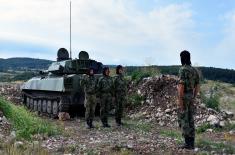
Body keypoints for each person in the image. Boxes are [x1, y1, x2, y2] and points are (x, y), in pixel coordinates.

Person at [177, 50, 200, 149]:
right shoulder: (195, 70)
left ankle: (187, 143)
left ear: (182, 58)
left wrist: (180, 100)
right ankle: (192, 142)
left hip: (184, 98)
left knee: (184, 119)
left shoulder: (183, 70)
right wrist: (194, 97)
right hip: (191, 97)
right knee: (191, 119)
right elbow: (197, 86)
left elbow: (181, 86)